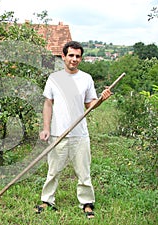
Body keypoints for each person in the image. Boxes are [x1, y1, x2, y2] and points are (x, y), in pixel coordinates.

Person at [35, 41, 112, 219]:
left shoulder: (86, 79)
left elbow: (90, 105)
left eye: (77, 56)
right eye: (71, 55)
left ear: (81, 58)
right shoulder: (54, 78)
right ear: (64, 57)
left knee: (84, 171)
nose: (74, 59)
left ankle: (86, 203)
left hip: (80, 135)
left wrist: (102, 99)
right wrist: (46, 128)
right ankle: (47, 201)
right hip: (57, 133)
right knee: (53, 171)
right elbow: (48, 104)